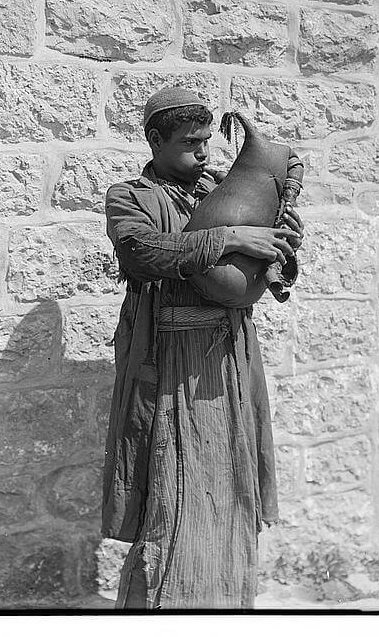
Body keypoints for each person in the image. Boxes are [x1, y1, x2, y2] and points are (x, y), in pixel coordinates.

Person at [100, 87, 304, 609]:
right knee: (173, 489)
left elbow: (261, 267)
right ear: (154, 140)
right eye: (191, 143)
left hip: (230, 358)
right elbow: (144, 253)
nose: (205, 153)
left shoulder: (220, 187)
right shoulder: (129, 197)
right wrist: (231, 236)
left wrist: (282, 245)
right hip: (169, 362)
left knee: (232, 488)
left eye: (208, 141)